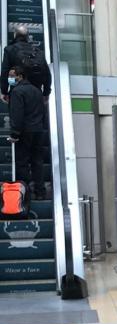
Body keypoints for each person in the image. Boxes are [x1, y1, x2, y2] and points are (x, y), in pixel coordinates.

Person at [7, 65, 47, 199]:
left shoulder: (17, 92)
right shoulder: (37, 91)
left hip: (25, 131)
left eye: (12, 76)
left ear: (20, 76)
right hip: (38, 130)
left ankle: (26, 192)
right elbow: (43, 111)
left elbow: (17, 114)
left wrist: (14, 134)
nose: (10, 78)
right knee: (37, 161)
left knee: (22, 161)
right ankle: (40, 192)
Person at [1, 25, 51, 100]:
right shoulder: (38, 52)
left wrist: (4, 92)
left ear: (15, 35)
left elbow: (5, 72)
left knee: (17, 111)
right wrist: (46, 93)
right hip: (36, 93)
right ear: (28, 37)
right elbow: (47, 74)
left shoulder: (9, 50)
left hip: (17, 93)